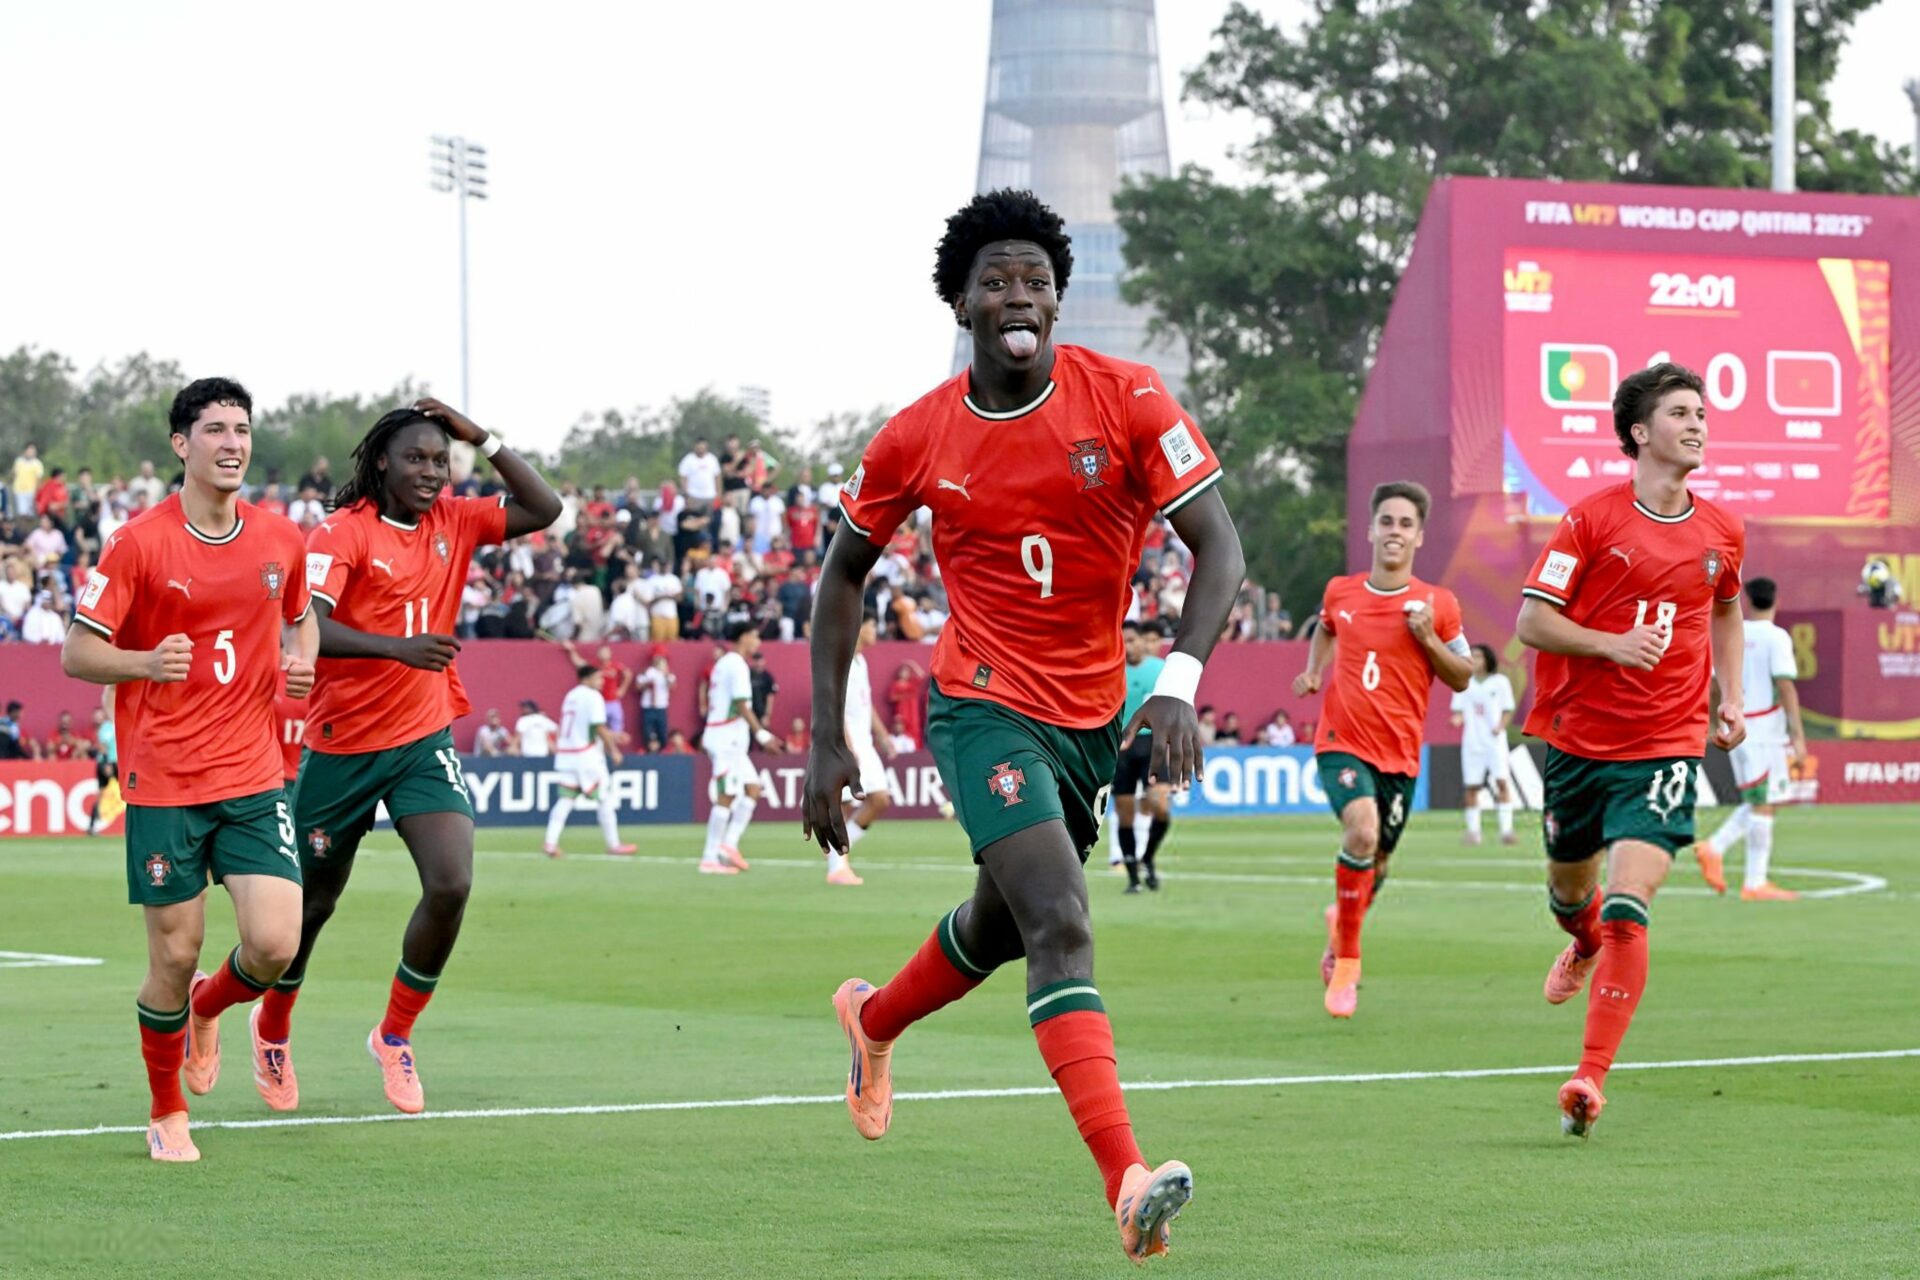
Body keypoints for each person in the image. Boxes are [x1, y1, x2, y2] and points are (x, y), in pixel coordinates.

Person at [801, 190, 1244, 1263]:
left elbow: (1218, 548)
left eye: (1036, 280)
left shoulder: (1130, 396)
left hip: (1092, 714)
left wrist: (1175, 682)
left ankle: (873, 1019)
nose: (1017, 296)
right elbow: (840, 578)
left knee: (1002, 928)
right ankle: (1127, 1180)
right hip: (981, 702)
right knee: (1062, 919)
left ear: (1058, 297)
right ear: (961, 301)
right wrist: (827, 737)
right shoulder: (916, 433)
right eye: (995, 279)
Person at [261, 398, 560, 1117]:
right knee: (313, 904)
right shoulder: (343, 533)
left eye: (440, 459)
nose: (431, 472)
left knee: (452, 883)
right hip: (342, 746)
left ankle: (394, 1036)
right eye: (417, 459)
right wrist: (400, 650)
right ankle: (271, 1026)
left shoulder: (454, 521)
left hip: (422, 739)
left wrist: (481, 436)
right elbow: (309, 630)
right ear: (382, 463)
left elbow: (544, 507)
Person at [62, 376, 318, 1162]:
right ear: (182, 445)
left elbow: (302, 620)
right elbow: (77, 652)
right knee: (171, 957)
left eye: (242, 429)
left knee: (276, 944)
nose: (233, 443)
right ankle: (167, 1111)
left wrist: (299, 667)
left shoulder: (280, 540)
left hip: (251, 773)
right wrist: (145, 659)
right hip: (165, 778)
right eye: (215, 429)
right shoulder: (139, 542)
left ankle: (213, 1007)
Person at [1515, 362, 1746, 1139]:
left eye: (1702, 413)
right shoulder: (1588, 520)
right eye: (1680, 412)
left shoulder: (1722, 530)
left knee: (1628, 901)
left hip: (1667, 743)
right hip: (1578, 740)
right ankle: (1578, 945)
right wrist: (1614, 645)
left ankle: (1589, 1077)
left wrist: (1729, 694)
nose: (1698, 423)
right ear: (1640, 433)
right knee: (1571, 899)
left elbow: (1725, 614)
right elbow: (1532, 622)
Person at [1292, 480, 1471, 1020]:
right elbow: (1325, 629)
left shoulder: (1438, 605)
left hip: (1400, 755)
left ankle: (1340, 927)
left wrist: (1429, 640)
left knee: (1380, 860)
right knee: (1362, 831)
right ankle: (1347, 961)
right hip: (1341, 741)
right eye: (1387, 522)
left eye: (1406, 524)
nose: (1395, 532)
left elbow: (1462, 676)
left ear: (1419, 537)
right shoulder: (1340, 592)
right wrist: (1314, 670)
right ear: (1370, 530)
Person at [1695, 577, 1805, 901]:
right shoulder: (1777, 637)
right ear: (1776, 601)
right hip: (1766, 731)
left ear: (1746, 600)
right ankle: (1752, 880)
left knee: (1761, 798)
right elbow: (1785, 686)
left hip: (1739, 724)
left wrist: (1714, 721)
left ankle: (1717, 850)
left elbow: (1715, 684)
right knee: (1763, 802)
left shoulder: (1733, 633)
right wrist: (1798, 737)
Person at [698, 621, 777, 874]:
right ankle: (709, 858)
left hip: (730, 739)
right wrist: (763, 735)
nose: (758, 642)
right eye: (755, 636)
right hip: (726, 739)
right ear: (743, 637)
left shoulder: (726, 663)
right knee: (728, 795)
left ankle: (728, 845)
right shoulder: (737, 664)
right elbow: (742, 705)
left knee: (752, 789)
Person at [830, 615, 898, 887]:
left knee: (880, 799)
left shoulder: (862, 662)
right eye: (871, 626)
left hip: (865, 743)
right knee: (846, 804)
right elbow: (834, 704)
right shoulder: (841, 661)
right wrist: (846, 743)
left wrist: (883, 737)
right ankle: (838, 866)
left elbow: (865, 704)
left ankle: (839, 855)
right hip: (847, 743)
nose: (875, 632)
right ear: (859, 628)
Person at [541, 664, 636, 858]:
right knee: (605, 798)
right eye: (599, 678)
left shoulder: (571, 696)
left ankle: (550, 842)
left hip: (566, 754)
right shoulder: (593, 697)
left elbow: (583, 727)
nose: (602, 682)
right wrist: (614, 750)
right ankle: (614, 843)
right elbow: (598, 728)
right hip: (586, 756)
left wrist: (614, 736)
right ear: (586, 679)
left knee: (565, 800)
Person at [1110, 620, 1173, 892]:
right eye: (1123, 640)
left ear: (1142, 642)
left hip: (1154, 747)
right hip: (1122, 749)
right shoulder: (1112, 672)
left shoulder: (1159, 670)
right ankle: (1133, 875)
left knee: (1160, 806)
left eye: (1132, 639)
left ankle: (1148, 856)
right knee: (1125, 814)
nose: (1129, 645)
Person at [1450, 644, 1517, 846]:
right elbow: (1459, 710)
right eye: (1472, 656)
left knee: (1502, 782)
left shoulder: (1500, 682)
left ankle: (1506, 831)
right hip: (1472, 742)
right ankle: (1473, 832)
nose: (1476, 660)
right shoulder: (1464, 682)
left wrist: (1500, 727)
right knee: (1472, 786)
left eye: (1479, 656)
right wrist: (1458, 719)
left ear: (1488, 659)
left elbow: (1507, 709)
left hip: (1495, 742)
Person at [87, 691, 121, 836]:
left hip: (112, 762)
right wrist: (107, 763)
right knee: (127, 793)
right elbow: (103, 747)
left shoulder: (114, 724)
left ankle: (93, 825)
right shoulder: (107, 727)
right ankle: (92, 826)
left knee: (104, 795)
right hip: (109, 763)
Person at [636, 651, 674, 751]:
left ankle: (662, 752)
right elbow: (638, 687)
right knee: (647, 732)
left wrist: (665, 674)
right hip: (648, 707)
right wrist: (647, 684)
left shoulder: (667, 674)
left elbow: (672, 686)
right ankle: (648, 752)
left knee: (662, 733)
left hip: (661, 707)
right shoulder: (647, 672)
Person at [677, 438, 722, 513]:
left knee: (710, 518)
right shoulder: (688, 460)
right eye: (699, 448)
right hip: (694, 496)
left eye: (703, 448)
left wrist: (719, 493)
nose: (701, 450)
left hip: (710, 496)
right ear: (695, 447)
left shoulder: (712, 459)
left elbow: (717, 477)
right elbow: (683, 478)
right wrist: (686, 495)